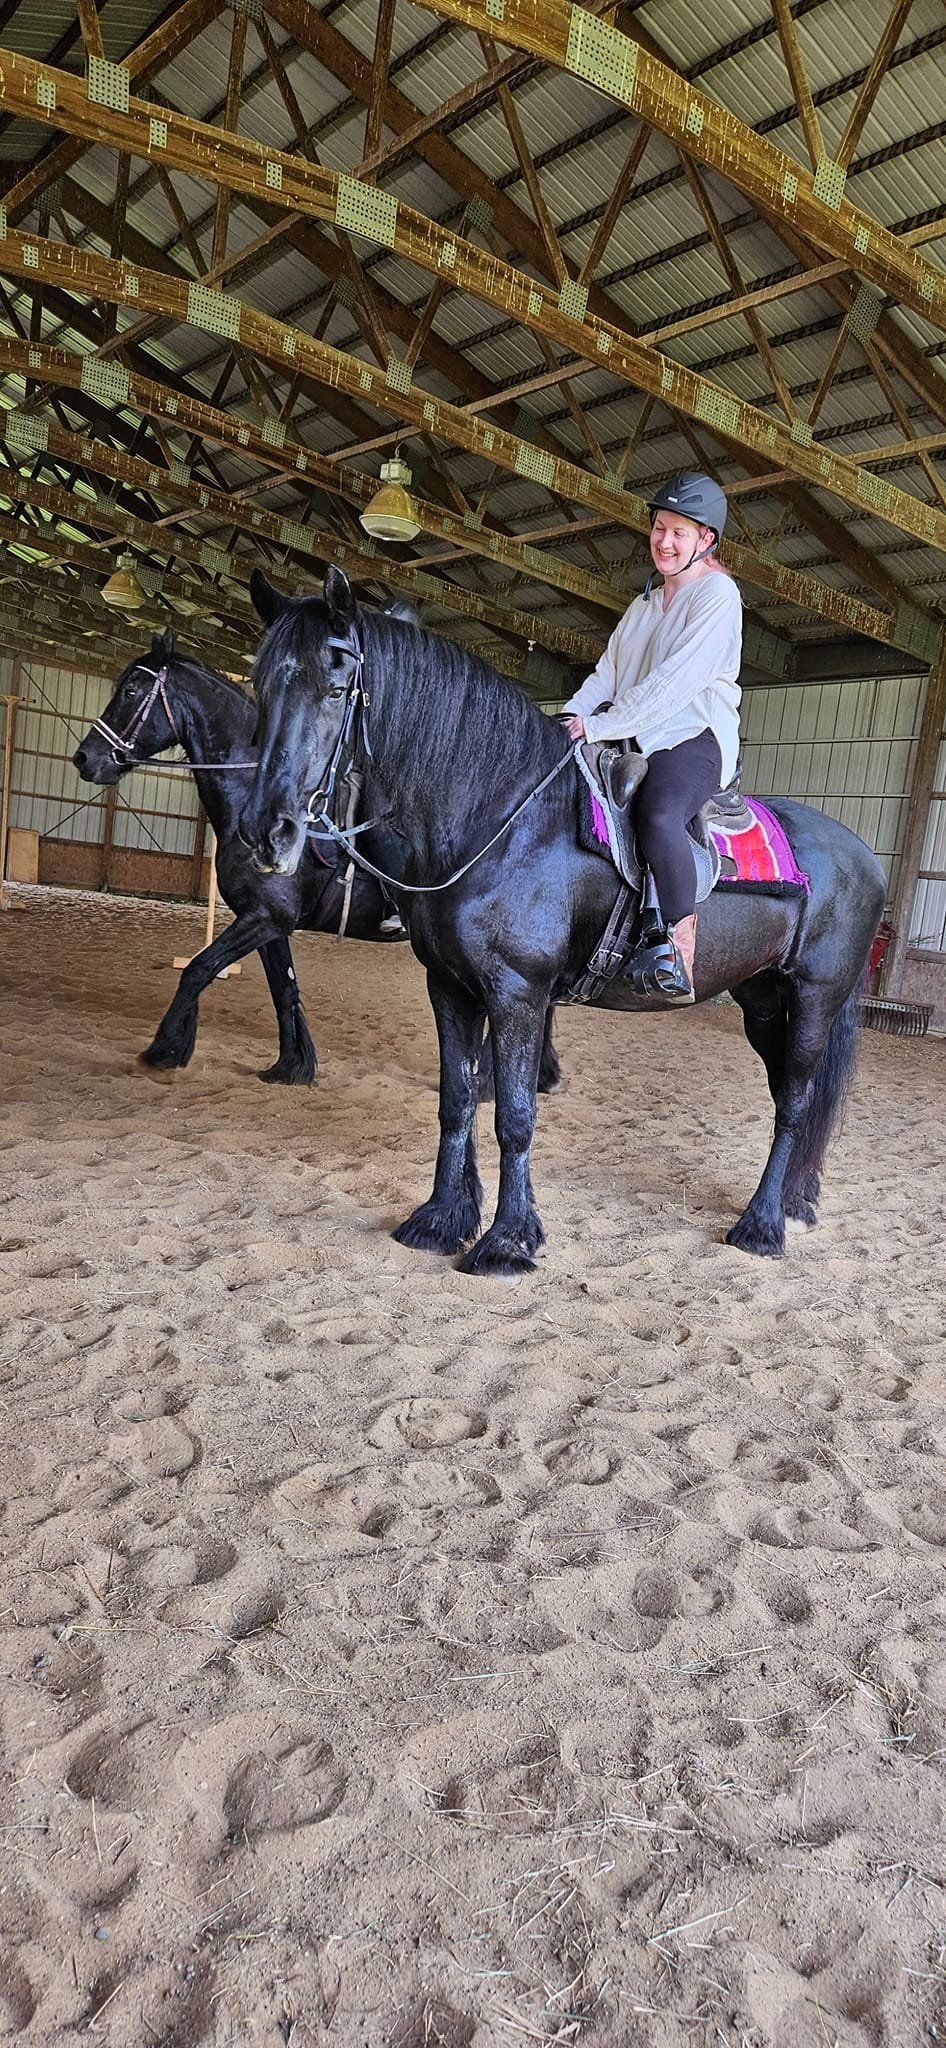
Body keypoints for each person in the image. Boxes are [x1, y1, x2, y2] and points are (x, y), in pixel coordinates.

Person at [561, 471, 742, 1004]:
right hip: (633, 737)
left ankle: (675, 950)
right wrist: (568, 719)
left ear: (705, 541)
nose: (665, 541)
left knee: (659, 813)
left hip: (693, 737)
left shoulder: (717, 595)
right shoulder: (642, 605)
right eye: (660, 528)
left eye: (679, 533)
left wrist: (598, 727)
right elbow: (608, 676)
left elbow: (673, 685)